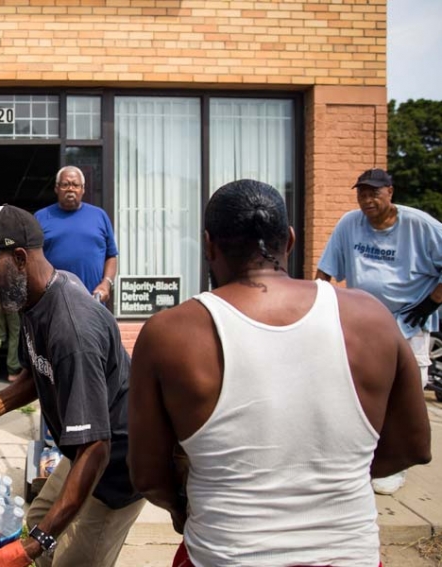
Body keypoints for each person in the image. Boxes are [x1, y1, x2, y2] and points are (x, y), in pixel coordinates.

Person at [128, 179, 431, 567]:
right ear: (289, 240)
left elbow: (148, 475)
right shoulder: (370, 317)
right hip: (349, 554)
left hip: (223, 554)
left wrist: (181, 509)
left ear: (208, 245)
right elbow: (415, 446)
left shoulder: (171, 333)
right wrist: (329, 477)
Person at [0, 205, 143, 567]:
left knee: (65, 556)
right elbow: (37, 372)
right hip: (81, 451)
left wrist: (33, 546)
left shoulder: (72, 330)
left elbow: (97, 446)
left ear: (20, 258)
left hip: (114, 469)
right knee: (37, 523)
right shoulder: (34, 299)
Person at [316, 167, 442, 495]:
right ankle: (362, 456)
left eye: (374, 193)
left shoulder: (422, 226)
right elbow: (325, 271)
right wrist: (315, 306)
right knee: (362, 387)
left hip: (410, 318)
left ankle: (397, 462)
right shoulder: (349, 224)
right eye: (362, 193)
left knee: (408, 387)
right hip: (366, 320)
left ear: (390, 193)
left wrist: (429, 304)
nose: (367, 199)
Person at [34, 166, 118, 304]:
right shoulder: (41, 217)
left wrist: (106, 284)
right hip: (54, 302)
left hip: (92, 300)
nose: (70, 189)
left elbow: (111, 256)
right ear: (56, 188)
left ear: (83, 189)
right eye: (65, 184)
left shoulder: (99, 216)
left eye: (75, 185)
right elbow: (34, 259)